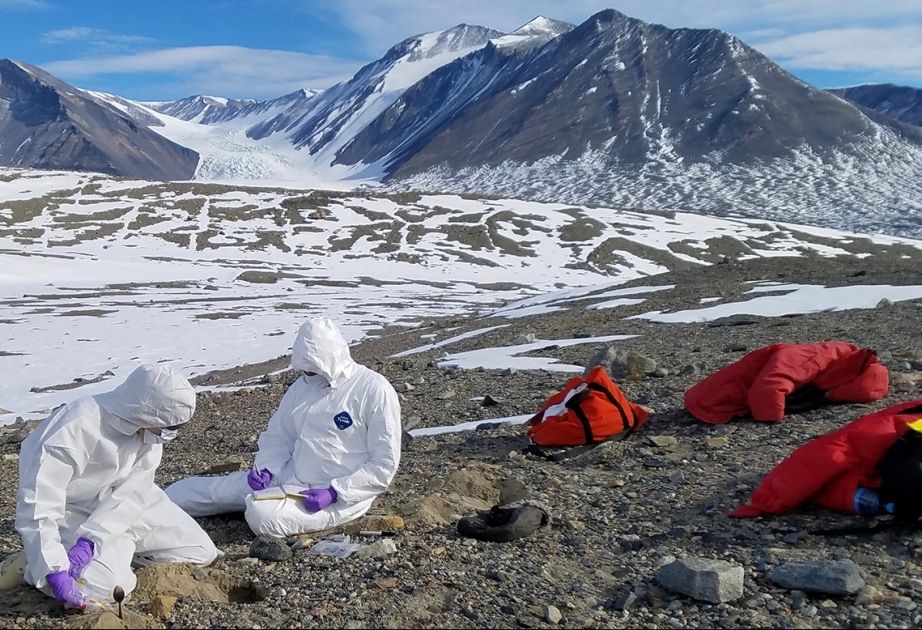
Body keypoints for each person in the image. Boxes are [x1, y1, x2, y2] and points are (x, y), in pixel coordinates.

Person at [165, 316, 402, 538]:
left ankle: (261, 503)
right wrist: (267, 468)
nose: (307, 374)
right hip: (287, 477)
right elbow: (279, 436)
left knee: (262, 516)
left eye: (313, 368)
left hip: (334, 495)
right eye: (305, 368)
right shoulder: (302, 387)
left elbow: (383, 464)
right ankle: (158, 501)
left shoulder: (373, 389)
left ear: (331, 358)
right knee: (188, 494)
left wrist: (335, 493)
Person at [14, 364, 217, 610]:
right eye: (168, 427)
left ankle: (116, 548)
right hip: (72, 511)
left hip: (125, 508)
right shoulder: (75, 428)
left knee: (199, 551)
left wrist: (94, 539)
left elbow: (133, 492)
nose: (168, 434)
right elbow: (38, 504)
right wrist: (52, 568)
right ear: (145, 410)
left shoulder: (149, 432)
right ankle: (32, 561)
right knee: (109, 590)